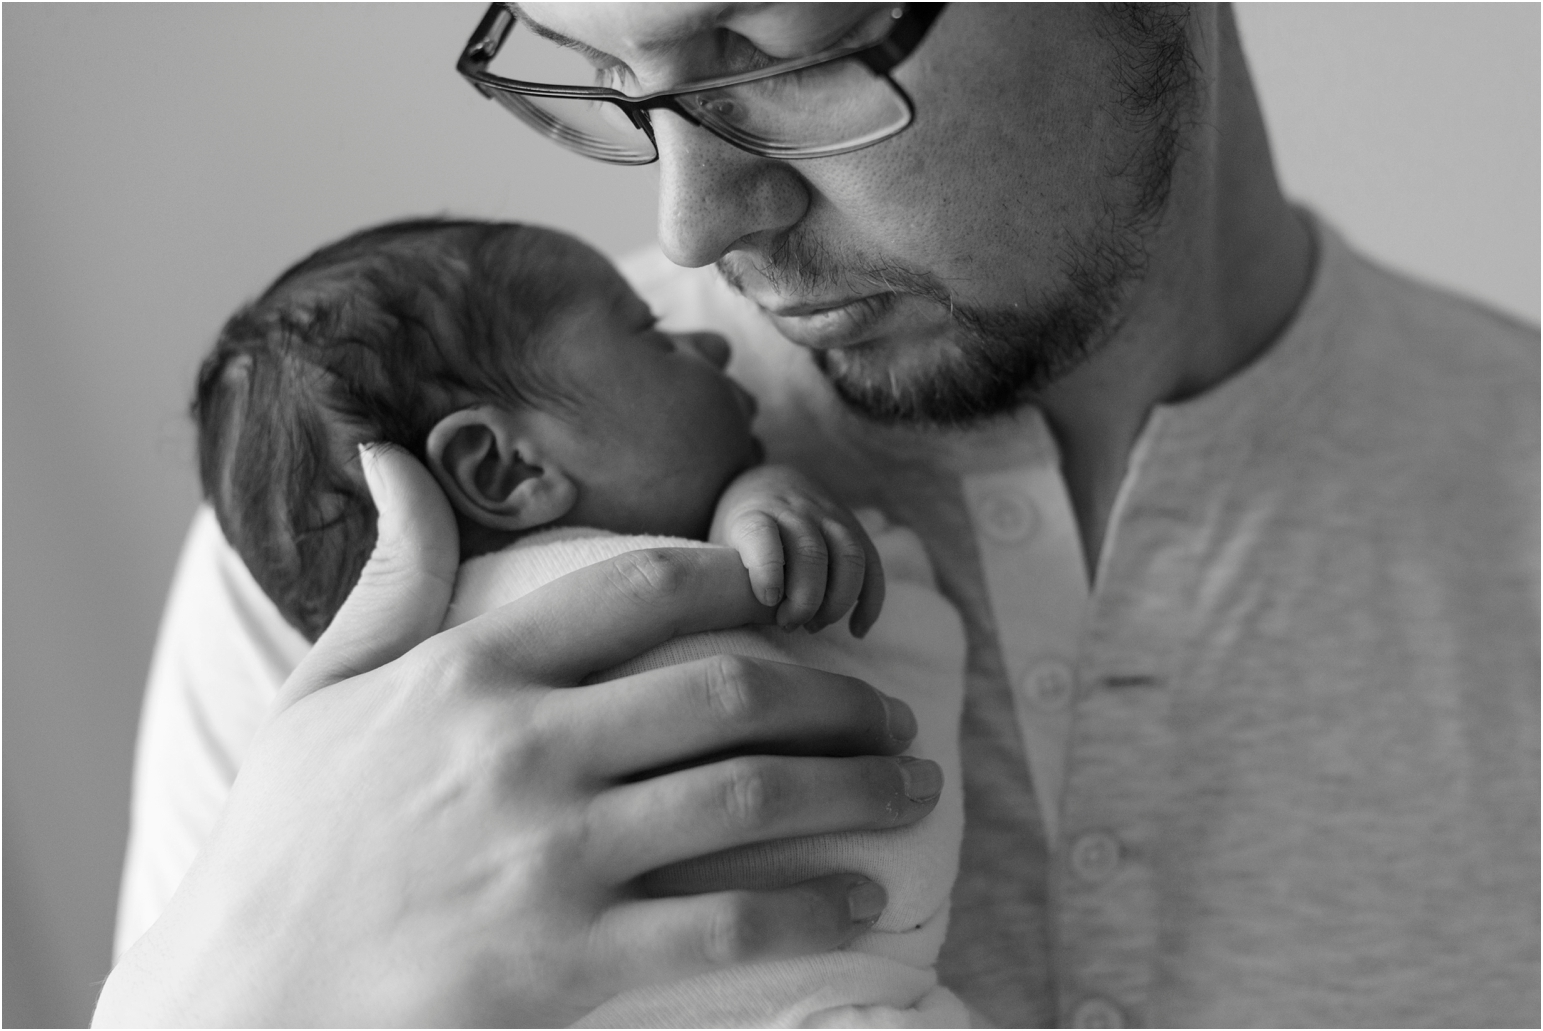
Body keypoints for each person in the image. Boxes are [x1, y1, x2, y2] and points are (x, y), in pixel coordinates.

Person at [97, 4, 1538, 1027]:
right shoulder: (386, 539)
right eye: (608, 75)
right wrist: (252, 987)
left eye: (782, 52)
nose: (695, 224)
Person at [191, 215, 970, 1026]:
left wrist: (758, 493)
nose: (708, 343)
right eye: (654, 335)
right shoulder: (375, 717)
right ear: (505, 467)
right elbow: (844, 609)